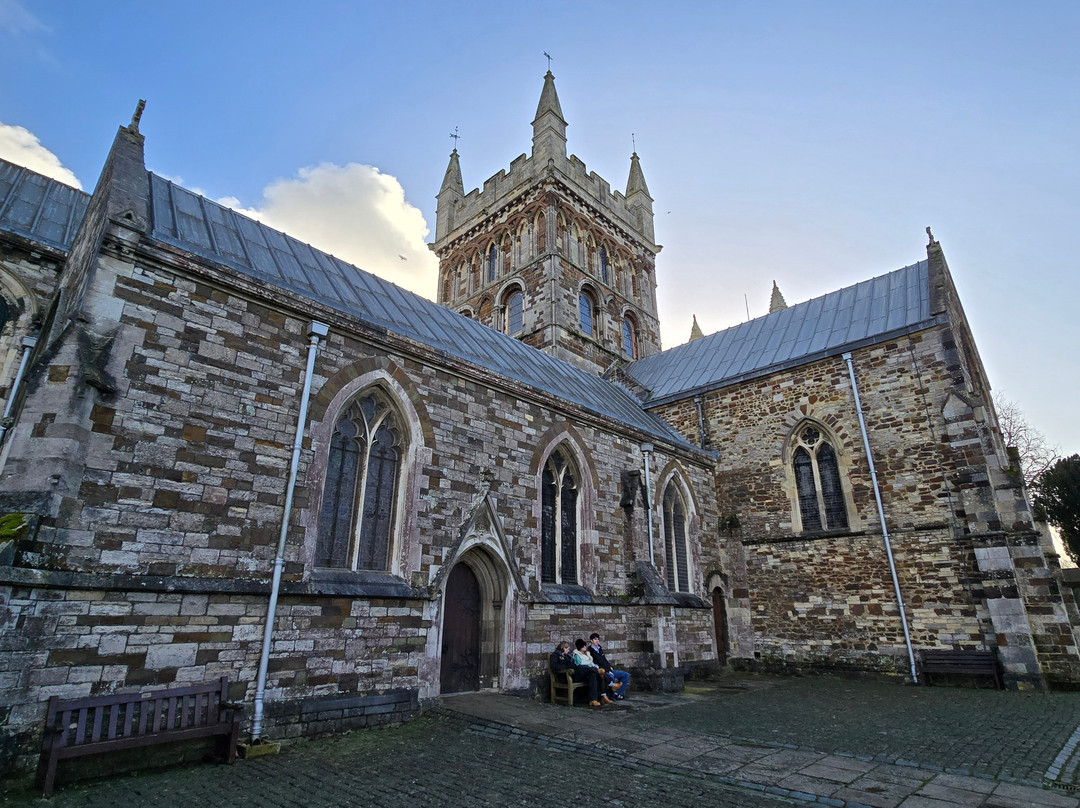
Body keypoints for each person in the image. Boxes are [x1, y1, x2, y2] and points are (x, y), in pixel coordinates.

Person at [550, 641, 604, 707]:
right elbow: (554, 667)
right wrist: (568, 666)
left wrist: (572, 665)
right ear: (563, 648)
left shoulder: (568, 656)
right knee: (582, 668)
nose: (568, 650)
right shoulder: (555, 655)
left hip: (574, 674)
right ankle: (597, 670)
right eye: (567, 648)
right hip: (565, 676)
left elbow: (573, 665)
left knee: (592, 675)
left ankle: (593, 700)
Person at [588, 633, 630, 700]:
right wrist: (608, 671)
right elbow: (597, 664)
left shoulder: (600, 649)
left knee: (626, 675)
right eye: (595, 639)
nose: (597, 641)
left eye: (598, 639)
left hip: (608, 669)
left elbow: (604, 660)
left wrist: (609, 667)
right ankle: (612, 696)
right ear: (591, 640)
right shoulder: (590, 651)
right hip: (603, 671)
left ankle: (618, 694)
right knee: (611, 677)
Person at [573, 639, 613, 704]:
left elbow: (592, 663)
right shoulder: (577, 655)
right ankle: (611, 684)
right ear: (580, 648)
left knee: (599, 675)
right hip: (582, 674)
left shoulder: (587, 654)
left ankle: (601, 697)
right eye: (583, 647)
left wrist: (595, 666)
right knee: (596, 672)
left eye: (585, 646)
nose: (585, 648)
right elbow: (579, 666)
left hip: (590, 673)